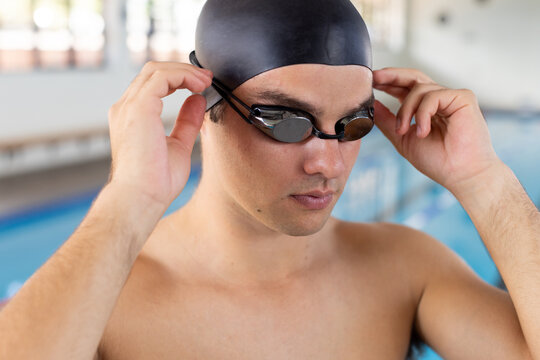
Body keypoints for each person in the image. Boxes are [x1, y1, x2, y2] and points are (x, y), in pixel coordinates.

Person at [1, 0, 539, 359]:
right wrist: (127, 203)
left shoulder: (406, 270)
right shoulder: (102, 298)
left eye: (353, 124)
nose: (326, 163)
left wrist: (485, 182)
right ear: (205, 101)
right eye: (284, 121)